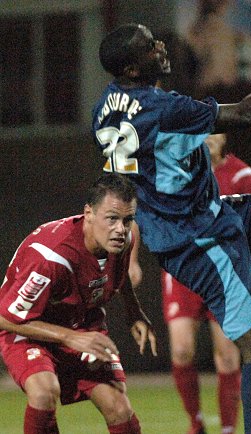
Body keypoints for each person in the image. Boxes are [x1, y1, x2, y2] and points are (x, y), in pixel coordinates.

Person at [92, 23, 251, 433]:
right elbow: (246, 113)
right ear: (133, 69)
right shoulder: (163, 108)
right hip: (197, 238)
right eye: (148, 47)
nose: (160, 47)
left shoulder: (103, 108)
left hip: (207, 214)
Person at [0, 172, 157, 434]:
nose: (121, 228)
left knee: (119, 406)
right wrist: (70, 337)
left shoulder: (124, 239)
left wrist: (135, 312)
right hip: (28, 330)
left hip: (80, 326)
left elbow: (120, 275)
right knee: (43, 392)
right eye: (112, 219)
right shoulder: (50, 258)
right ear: (89, 213)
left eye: (127, 219)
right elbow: (6, 317)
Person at [161, 133, 251, 434]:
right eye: (202, 132)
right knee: (182, 349)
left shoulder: (240, 174)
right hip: (184, 269)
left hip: (226, 272)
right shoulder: (177, 169)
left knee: (226, 354)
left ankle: (227, 428)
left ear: (225, 138)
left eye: (215, 131)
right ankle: (195, 422)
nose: (207, 138)